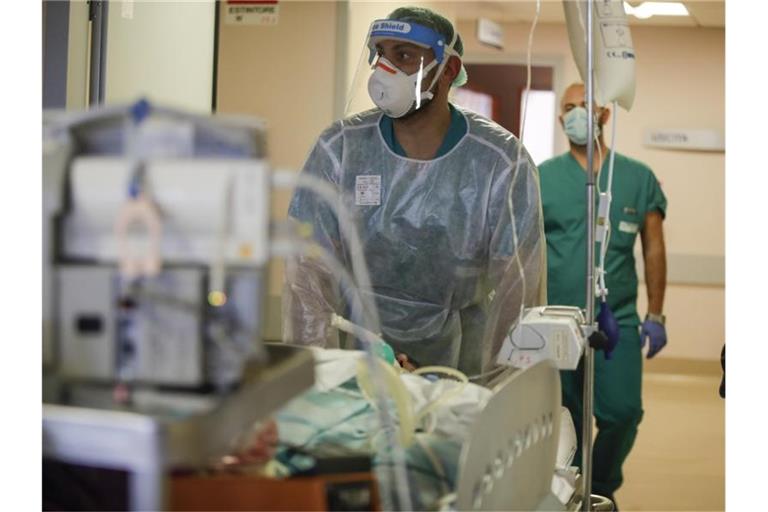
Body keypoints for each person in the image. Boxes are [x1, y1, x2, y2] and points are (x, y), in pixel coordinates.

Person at [282, 6, 546, 377]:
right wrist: (315, 378)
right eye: (380, 54)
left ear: (448, 70)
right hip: (357, 361)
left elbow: (516, 289)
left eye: (403, 56)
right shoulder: (340, 148)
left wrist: (501, 386)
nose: (384, 70)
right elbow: (307, 272)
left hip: (462, 368)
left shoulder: (500, 162)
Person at [538, 82, 668, 504]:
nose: (576, 115)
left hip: (619, 320)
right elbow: (524, 250)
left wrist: (657, 314)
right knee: (567, 417)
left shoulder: (635, 177)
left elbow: (653, 246)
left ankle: (602, 485)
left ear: (604, 116)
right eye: (569, 109)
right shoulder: (543, 177)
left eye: (584, 107)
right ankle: (570, 492)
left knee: (623, 412)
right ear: (560, 120)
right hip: (557, 319)